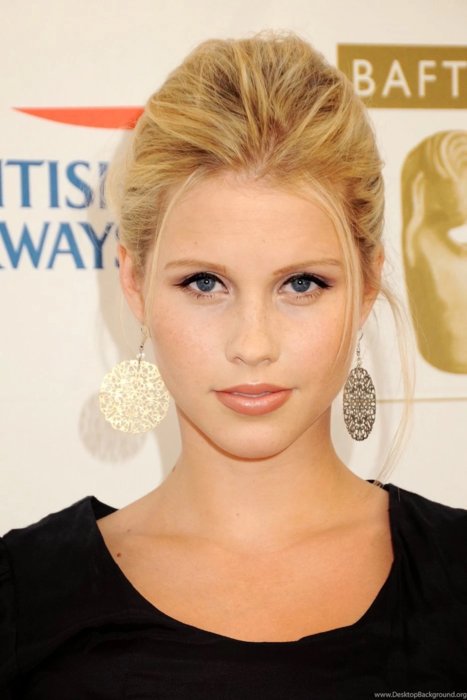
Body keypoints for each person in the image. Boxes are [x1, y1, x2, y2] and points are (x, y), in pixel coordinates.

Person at [1, 32, 466, 698]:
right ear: (134, 284)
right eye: (204, 283)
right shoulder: (24, 597)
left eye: (301, 284)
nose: (252, 344)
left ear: (367, 286)